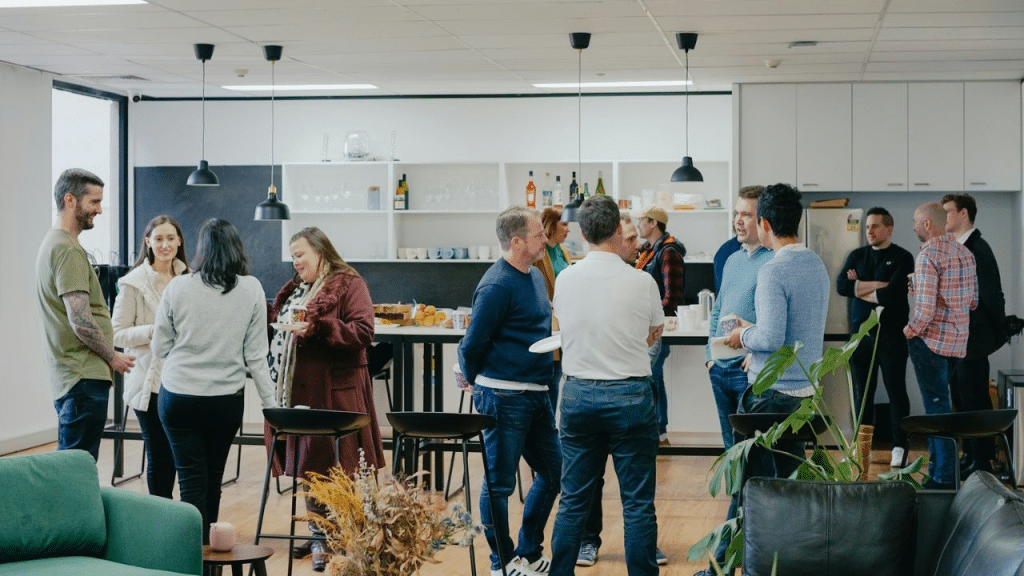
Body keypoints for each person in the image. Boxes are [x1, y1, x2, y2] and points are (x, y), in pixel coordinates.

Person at [710, 184, 829, 576]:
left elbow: (771, 339)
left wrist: (742, 336)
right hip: (805, 395)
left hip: (770, 398)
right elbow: (793, 331)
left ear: (764, 223)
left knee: (750, 484)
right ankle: (790, 561)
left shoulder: (772, 269)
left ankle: (722, 566)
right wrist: (755, 331)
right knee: (790, 487)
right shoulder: (814, 263)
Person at [551, 195, 664, 576]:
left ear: (582, 234)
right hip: (631, 396)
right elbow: (653, 334)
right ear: (618, 229)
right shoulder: (642, 281)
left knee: (573, 501)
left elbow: (562, 329)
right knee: (636, 503)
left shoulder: (566, 278)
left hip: (579, 395)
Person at [265, 226, 386, 571]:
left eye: (300, 254)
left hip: (337, 391)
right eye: (293, 256)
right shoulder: (297, 291)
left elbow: (364, 331)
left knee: (340, 466)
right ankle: (320, 531)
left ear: (321, 251)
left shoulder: (350, 284)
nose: (295, 261)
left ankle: (341, 536)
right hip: (301, 389)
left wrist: (320, 328)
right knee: (309, 464)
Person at [152, 218, 278, 543]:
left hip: (178, 397)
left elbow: (159, 346)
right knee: (212, 477)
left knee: (191, 478)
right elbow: (256, 356)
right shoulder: (251, 288)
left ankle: (191, 555)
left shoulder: (177, 286)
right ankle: (207, 552)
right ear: (237, 248)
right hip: (225, 401)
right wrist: (272, 408)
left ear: (201, 249)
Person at [458, 206, 562, 576]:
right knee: (499, 485)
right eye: (539, 235)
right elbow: (471, 344)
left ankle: (529, 550)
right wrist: (472, 379)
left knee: (554, 474)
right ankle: (501, 563)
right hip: (503, 396)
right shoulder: (497, 284)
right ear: (517, 242)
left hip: (535, 392)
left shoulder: (533, 276)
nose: (545, 240)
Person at [36, 168, 135, 461]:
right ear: (70, 200)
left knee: (73, 465)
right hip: (82, 376)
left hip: (75, 376)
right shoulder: (67, 250)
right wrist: (112, 356)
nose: (99, 210)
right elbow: (80, 319)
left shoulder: (57, 244)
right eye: (94, 202)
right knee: (74, 469)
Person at [111, 215, 189, 497]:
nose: (165, 244)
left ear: (179, 241)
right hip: (149, 381)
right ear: (148, 243)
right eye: (158, 239)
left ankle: (182, 520)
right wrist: (155, 331)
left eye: (170, 238)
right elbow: (116, 332)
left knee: (181, 454)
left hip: (183, 380)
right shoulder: (133, 283)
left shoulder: (190, 280)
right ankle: (161, 519)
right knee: (159, 453)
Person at [903, 202, 977, 490]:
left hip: (930, 343)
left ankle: (943, 478)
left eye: (914, 221)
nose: (912, 227)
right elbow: (972, 301)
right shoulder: (966, 254)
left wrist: (910, 331)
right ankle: (941, 471)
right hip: (957, 343)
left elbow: (924, 311)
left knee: (936, 412)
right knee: (942, 408)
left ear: (927, 224)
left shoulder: (927, 256)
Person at [835, 207, 914, 468]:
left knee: (896, 392)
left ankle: (899, 446)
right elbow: (841, 286)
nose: (869, 231)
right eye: (867, 226)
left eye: (875, 226)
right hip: (860, 338)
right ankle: (861, 447)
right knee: (862, 395)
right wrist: (877, 285)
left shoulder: (903, 257)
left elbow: (893, 295)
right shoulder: (857, 255)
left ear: (889, 229)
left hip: (892, 337)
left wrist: (860, 286)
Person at [942, 194, 1007, 477]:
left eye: (948, 212)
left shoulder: (978, 248)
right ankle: (970, 456)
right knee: (961, 400)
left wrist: (997, 334)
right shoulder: (957, 248)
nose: (945, 218)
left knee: (975, 400)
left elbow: (992, 294)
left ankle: (981, 462)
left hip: (973, 341)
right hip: (957, 341)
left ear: (964, 214)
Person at [705, 185, 771, 450]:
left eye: (746, 214)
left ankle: (749, 493)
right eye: (736, 214)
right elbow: (717, 310)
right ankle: (735, 494)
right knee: (730, 447)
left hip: (749, 369)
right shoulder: (732, 259)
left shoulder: (773, 261)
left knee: (754, 449)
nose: (738, 221)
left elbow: (776, 320)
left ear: (763, 220)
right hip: (720, 368)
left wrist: (757, 355)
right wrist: (709, 357)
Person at [635, 205, 686, 445]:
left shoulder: (667, 252)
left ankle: (656, 431)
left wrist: (654, 320)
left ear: (653, 223)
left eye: (642, 221)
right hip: (648, 326)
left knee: (651, 378)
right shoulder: (649, 251)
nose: (638, 225)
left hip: (657, 328)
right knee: (655, 378)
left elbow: (671, 296)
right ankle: (659, 430)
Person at [535, 206, 572, 408]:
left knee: (558, 376)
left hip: (565, 322)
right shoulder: (539, 255)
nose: (568, 229)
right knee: (551, 376)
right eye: (564, 224)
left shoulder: (563, 251)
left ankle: (550, 428)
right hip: (547, 323)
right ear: (551, 225)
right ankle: (547, 428)